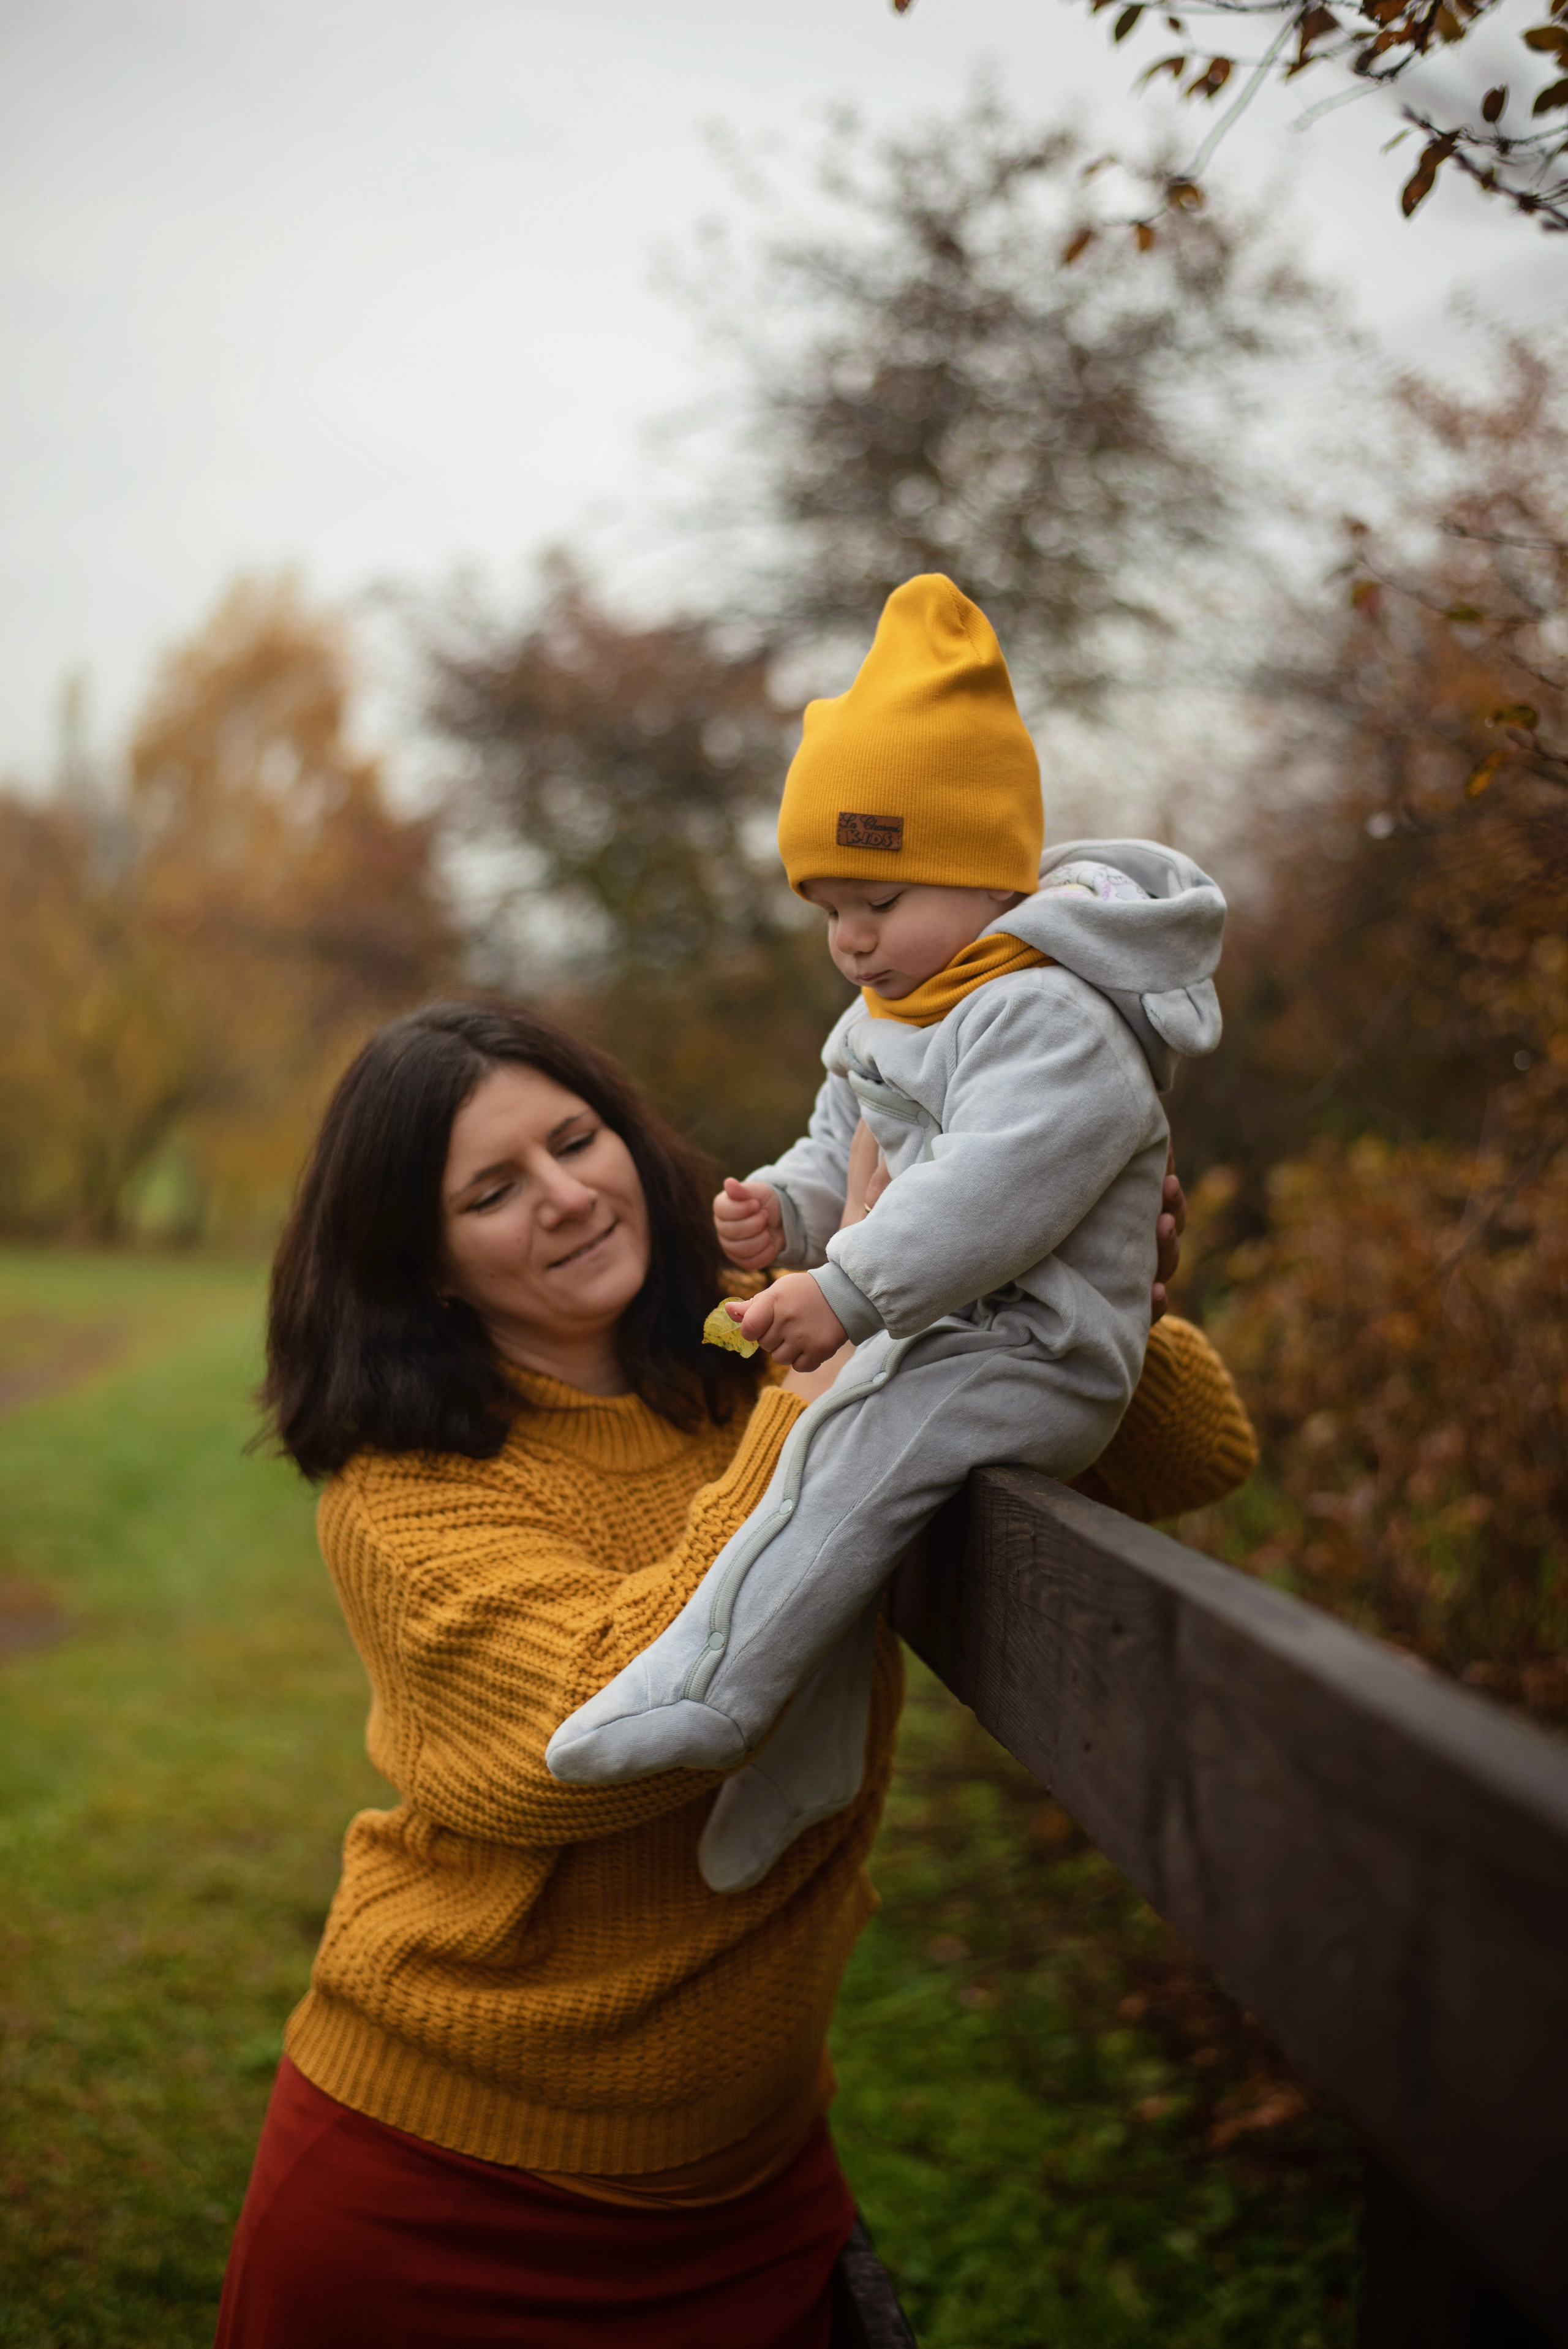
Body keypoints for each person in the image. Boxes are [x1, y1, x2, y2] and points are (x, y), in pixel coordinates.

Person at [215, 996, 1253, 2349]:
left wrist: (1089, 1293)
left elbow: (1192, 1458)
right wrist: (837, 1387)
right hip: (446, 2187)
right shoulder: (404, 1497)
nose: (565, 1195)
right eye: (490, 1189)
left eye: (575, 1140)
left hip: (751, 2183)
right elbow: (599, 1718)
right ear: (425, 1264)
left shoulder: (756, 1352)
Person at [546, 575, 1229, 1899]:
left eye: (878, 898)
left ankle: (714, 1692)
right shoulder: (888, 1016)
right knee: (826, 1480)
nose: (850, 940)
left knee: (839, 1449)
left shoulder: (1047, 1017)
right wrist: (781, 1212)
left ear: (986, 871)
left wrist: (845, 1289)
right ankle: (794, 1755)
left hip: (1035, 1351)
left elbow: (987, 1186)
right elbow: (836, 1148)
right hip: (943, 1334)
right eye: (827, 910)